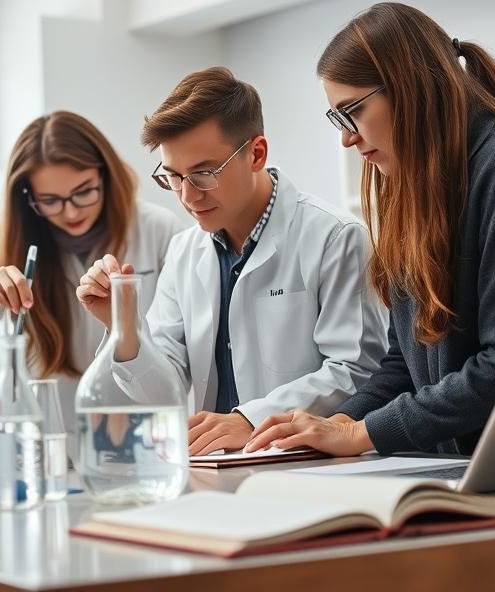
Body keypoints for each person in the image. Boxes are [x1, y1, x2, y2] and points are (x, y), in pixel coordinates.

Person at [245, 2, 495, 459]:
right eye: (338, 119)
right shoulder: (416, 189)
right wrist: (337, 423)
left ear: (411, 88)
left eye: (352, 111)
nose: (347, 138)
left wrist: (363, 434)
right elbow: (404, 365)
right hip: (473, 471)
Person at [76, 67, 388, 456]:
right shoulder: (183, 251)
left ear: (256, 153)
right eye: (173, 176)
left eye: (204, 173)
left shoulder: (335, 237)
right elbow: (162, 393)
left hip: (306, 466)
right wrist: (122, 327)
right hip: (214, 467)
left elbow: (358, 371)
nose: (188, 196)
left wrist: (250, 419)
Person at [0, 111, 187, 433]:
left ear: (105, 175)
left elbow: (180, 350)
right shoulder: (10, 234)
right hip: (48, 436)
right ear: (28, 198)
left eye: (83, 192)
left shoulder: (157, 228)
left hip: (140, 433)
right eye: (50, 200)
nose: (69, 211)